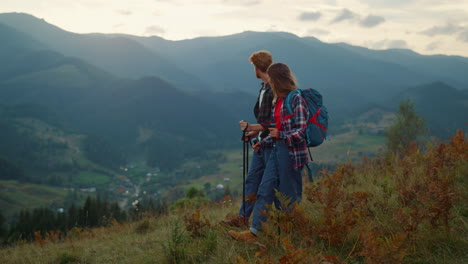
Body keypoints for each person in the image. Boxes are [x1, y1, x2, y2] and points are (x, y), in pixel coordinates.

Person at [228, 62, 309, 242]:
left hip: (292, 153)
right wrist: (260, 142)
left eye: (271, 79)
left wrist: (282, 135)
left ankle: (295, 232)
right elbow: (273, 129)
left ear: (278, 80)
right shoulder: (278, 101)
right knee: (265, 188)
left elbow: (302, 130)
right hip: (277, 150)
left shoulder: (296, 99)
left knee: (289, 194)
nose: (269, 82)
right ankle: (254, 232)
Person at [220, 50, 274, 227]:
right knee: (253, 180)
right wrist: (256, 133)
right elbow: (267, 122)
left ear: (257, 67)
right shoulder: (266, 87)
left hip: (270, 145)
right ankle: (243, 218)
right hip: (263, 142)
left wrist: (252, 128)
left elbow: (272, 122)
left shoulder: (271, 89)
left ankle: (257, 222)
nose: (254, 70)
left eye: (253, 66)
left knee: (266, 185)